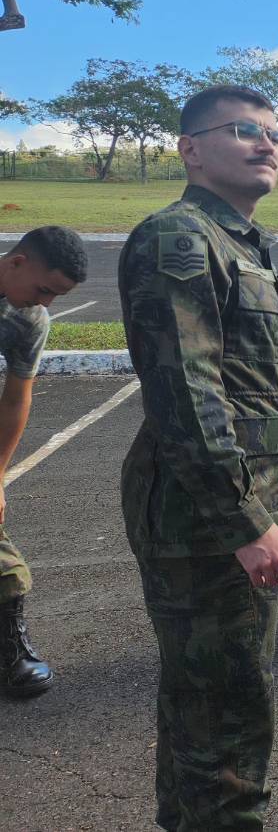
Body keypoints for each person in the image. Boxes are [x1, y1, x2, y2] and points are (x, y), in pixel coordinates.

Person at [119, 85, 278, 831]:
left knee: (204, 710)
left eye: (274, 133)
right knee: (227, 726)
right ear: (191, 148)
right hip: (203, 523)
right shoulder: (181, 237)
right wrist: (247, 522)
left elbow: (248, 394)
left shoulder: (237, 240)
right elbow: (186, 396)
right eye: (244, 130)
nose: (266, 143)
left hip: (231, 504)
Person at [0, 226, 86, 697]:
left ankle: (11, 653)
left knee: (4, 563)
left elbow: (16, 397)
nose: (48, 303)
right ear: (16, 262)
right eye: (45, 289)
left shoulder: (28, 318)